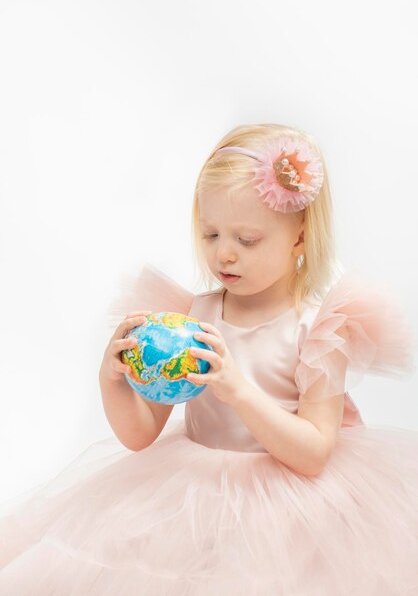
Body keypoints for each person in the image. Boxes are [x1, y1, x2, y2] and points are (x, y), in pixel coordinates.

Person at [0, 123, 417, 595]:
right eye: (210, 233)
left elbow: (314, 453)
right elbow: (140, 436)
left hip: (288, 513)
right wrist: (112, 382)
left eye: (247, 239)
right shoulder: (189, 319)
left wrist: (238, 391)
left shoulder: (317, 331)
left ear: (299, 238)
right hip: (191, 498)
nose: (224, 254)